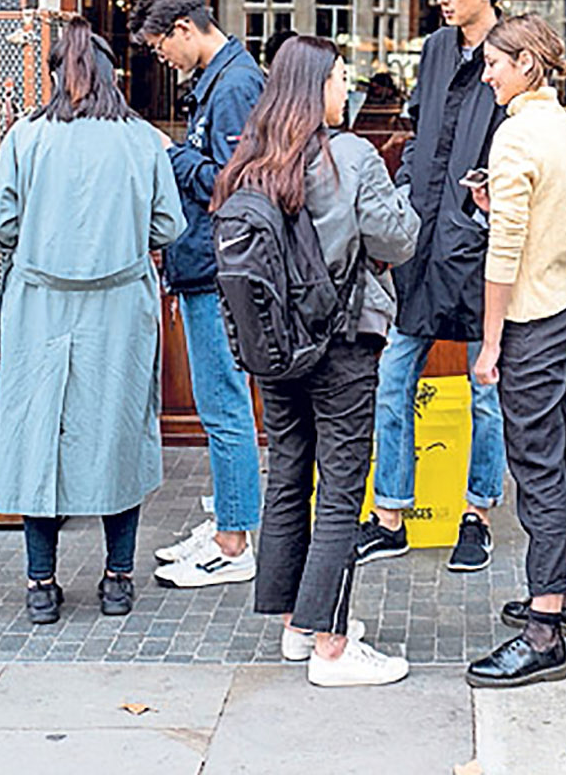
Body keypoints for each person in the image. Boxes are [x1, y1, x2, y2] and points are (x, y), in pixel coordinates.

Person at [214, 36, 422, 687]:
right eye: (339, 80)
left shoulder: (251, 163)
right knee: (339, 492)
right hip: (342, 344)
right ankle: (333, 647)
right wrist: (405, 198)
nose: (346, 91)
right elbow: (397, 238)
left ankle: (297, 628)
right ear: (314, 89)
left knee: (287, 478)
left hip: (275, 347)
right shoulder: (353, 156)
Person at [0, 19, 183, 623]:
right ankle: (117, 580)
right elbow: (168, 226)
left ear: (54, 76)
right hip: (120, 306)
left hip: (40, 305)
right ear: (111, 77)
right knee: (117, 436)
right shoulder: (143, 140)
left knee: (38, 438)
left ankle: (40, 585)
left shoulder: (27, 136)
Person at [355, 0, 513, 573]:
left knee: (485, 390)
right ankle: (390, 515)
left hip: (482, 253)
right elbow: (421, 134)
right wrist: (400, 201)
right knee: (393, 381)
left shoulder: (515, 54)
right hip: (420, 243)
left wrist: (483, 215)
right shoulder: (437, 48)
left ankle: (476, 515)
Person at [463, 14, 566, 689]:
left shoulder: (516, 135)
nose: (488, 73)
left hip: (530, 319)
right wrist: (497, 206)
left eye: (496, 62)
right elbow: (554, 219)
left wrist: (489, 344)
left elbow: (505, 254)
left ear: (529, 65)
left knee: (537, 468)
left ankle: (543, 631)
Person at [129, 0, 267, 588]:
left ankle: (235, 542)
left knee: (223, 405)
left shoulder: (235, 85)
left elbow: (234, 182)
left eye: (161, 46)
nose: (162, 58)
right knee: (219, 404)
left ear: (184, 28)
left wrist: (169, 152)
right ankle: (225, 525)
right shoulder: (222, 80)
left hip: (218, 268)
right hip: (206, 264)